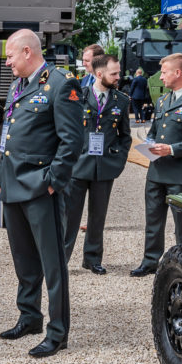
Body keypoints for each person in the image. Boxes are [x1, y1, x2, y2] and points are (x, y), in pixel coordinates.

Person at [0, 29, 83, 358]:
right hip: (15, 186)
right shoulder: (17, 85)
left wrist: (52, 181)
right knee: (24, 260)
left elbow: (72, 141)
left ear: (28, 52)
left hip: (41, 188)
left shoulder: (61, 84)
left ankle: (57, 332)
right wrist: (3, 180)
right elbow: (9, 135)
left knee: (52, 264)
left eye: (10, 56)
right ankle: (29, 316)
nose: (7, 62)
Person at [131, 53, 182, 277]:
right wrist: (149, 144)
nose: (161, 77)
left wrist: (172, 149)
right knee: (153, 220)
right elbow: (155, 132)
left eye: (164, 72)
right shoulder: (163, 100)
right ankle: (150, 261)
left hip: (180, 173)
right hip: (156, 171)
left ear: (178, 73)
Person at [64, 53, 132, 274]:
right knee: (69, 217)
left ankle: (92, 259)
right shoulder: (78, 96)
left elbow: (125, 136)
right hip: (77, 165)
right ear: (99, 73)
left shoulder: (121, 100)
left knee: (98, 216)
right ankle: (60, 259)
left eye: (118, 72)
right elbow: (65, 130)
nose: (118, 76)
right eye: (114, 73)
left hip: (104, 167)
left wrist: (118, 161)